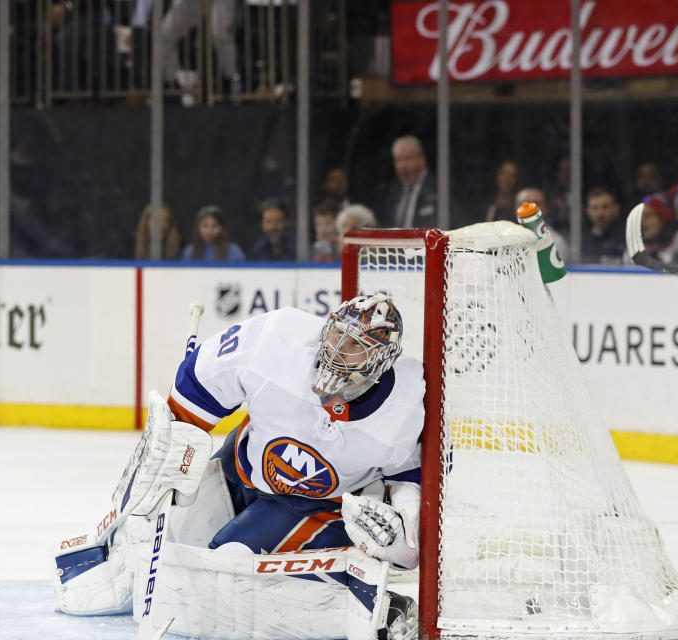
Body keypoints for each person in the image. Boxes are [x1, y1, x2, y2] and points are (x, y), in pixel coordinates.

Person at [53, 294, 422, 637]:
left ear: (380, 359)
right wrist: (176, 447)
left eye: (356, 345)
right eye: (338, 335)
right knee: (156, 535)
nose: (338, 349)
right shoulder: (277, 341)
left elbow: (409, 485)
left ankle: (373, 605)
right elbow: (193, 390)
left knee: (224, 572)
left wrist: (403, 528)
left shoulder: (404, 411)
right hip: (237, 470)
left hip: (309, 506)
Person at [381, 135, 437, 228]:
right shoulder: (392, 193)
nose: (403, 166)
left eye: (408, 158)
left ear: (421, 160)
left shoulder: (437, 189)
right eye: (398, 160)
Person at [514, 186, 569, 260]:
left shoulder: (556, 242)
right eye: (523, 204)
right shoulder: (503, 239)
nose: (529, 209)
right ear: (515, 209)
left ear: (544, 208)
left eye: (535, 204)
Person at [181, 205, 245, 261]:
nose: (209, 230)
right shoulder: (189, 252)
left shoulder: (233, 252)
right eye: (205, 226)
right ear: (198, 228)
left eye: (214, 226)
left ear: (222, 228)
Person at [581, 187, 626, 264]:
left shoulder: (627, 236)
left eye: (605, 207)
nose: (600, 214)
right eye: (594, 208)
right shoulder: (581, 241)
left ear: (616, 208)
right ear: (587, 211)